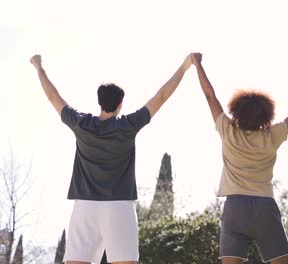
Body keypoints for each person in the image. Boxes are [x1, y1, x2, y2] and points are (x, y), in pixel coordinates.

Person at [30, 54, 192, 264]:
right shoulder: (127, 125)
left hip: (85, 207)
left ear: (99, 102)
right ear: (120, 104)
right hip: (119, 207)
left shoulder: (81, 124)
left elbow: (53, 97)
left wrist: (38, 67)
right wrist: (185, 66)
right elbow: (160, 96)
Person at [191, 52, 288, 264]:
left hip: (235, 207)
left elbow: (209, 96)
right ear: (266, 115)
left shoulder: (228, 130)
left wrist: (198, 65)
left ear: (237, 113)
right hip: (264, 208)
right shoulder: (273, 135)